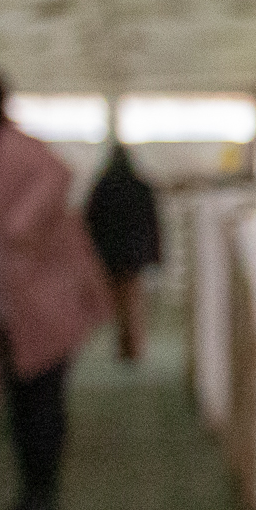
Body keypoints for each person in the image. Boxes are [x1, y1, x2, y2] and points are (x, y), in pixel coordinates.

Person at [0, 67, 111, 510]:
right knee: (23, 405)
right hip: (4, 304)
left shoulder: (13, 149)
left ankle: (40, 505)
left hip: (40, 300)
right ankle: (33, 502)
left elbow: (57, 177)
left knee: (40, 402)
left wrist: (19, 229)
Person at [83, 142, 163, 362]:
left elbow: (91, 222)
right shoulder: (141, 187)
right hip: (134, 255)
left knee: (118, 303)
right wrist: (154, 253)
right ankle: (133, 346)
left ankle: (123, 344)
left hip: (110, 254)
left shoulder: (102, 187)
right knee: (133, 301)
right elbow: (152, 224)